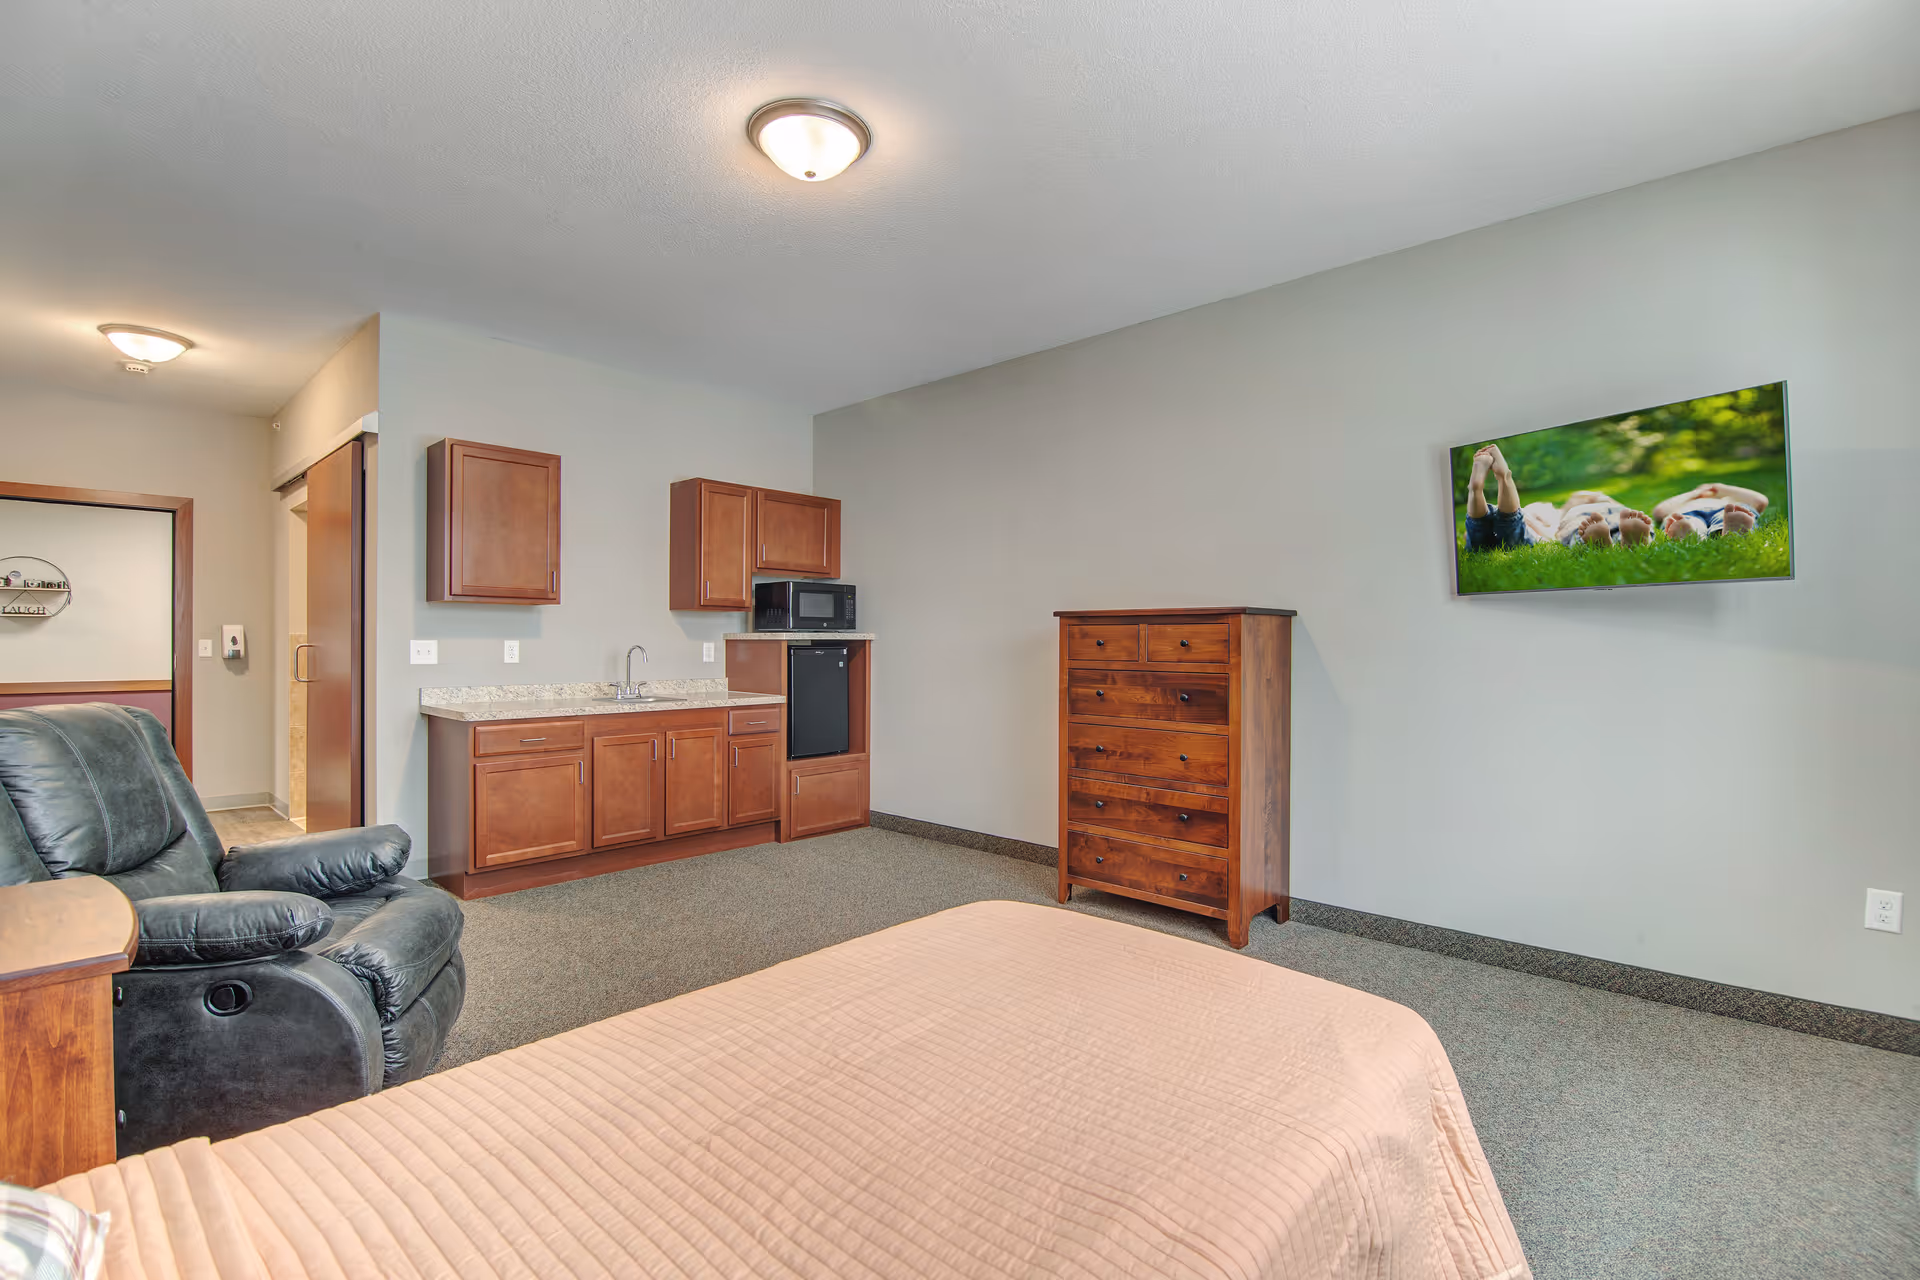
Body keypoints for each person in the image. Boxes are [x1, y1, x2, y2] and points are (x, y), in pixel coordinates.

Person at [1462, 445, 1653, 551]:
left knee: (1481, 525)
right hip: (1517, 530)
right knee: (1509, 520)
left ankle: (1477, 488)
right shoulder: (1561, 516)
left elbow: (1550, 533)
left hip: (1492, 532)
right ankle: (1503, 478)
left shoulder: (1561, 515)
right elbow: (1549, 534)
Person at [1651, 482, 1767, 540]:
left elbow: (1759, 501)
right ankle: (1688, 535)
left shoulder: (1728, 501)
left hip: (1724, 511)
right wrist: (1694, 493)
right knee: (1685, 522)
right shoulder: (1684, 504)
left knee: (1729, 516)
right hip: (1687, 513)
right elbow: (1660, 511)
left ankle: (1732, 531)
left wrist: (1720, 488)